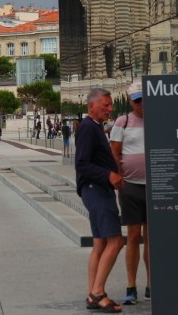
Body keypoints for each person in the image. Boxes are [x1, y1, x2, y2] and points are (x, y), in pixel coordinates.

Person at [75, 87, 125, 313]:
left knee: (100, 243)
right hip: (96, 190)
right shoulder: (88, 128)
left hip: (95, 190)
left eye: (110, 105)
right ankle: (97, 293)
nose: (110, 109)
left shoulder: (93, 128)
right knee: (115, 241)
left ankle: (92, 291)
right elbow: (82, 164)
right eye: (105, 105)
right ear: (91, 105)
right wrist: (109, 174)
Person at [110, 79, 150, 305]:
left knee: (152, 238)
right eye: (137, 100)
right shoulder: (122, 122)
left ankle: (152, 285)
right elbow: (114, 152)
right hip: (131, 186)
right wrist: (118, 175)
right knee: (133, 236)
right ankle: (131, 285)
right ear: (130, 101)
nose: (141, 104)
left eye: (144, 99)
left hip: (155, 186)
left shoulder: (158, 120)